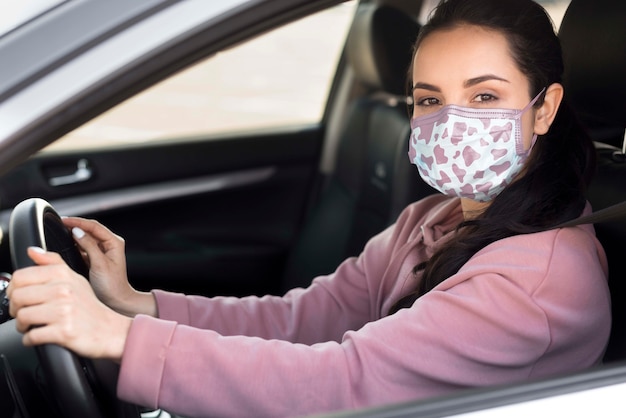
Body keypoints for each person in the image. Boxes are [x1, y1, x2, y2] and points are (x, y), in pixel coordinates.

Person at [6, 0, 611, 416]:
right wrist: (138, 306)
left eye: (484, 95)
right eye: (429, 99)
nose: (451, 121)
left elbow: (345, 382)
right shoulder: (435, 219)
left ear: (544, 108)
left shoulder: (538, 282)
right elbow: (304, 319)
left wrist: (118, 338)